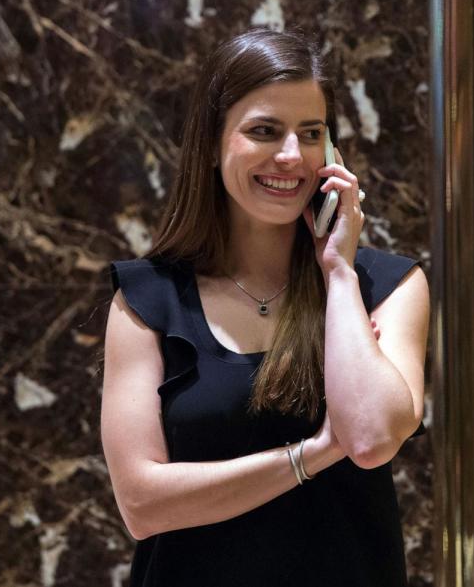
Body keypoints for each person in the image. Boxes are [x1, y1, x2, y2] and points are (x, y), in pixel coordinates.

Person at [100, 29, 429, 587]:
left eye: (311, 133)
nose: (290, 156)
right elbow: (143, 505)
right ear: (210, 144)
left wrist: (340, 273)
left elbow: (371, 438)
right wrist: (319, 451)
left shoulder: (388, 285)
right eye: (264, 131)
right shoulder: (147, 300)